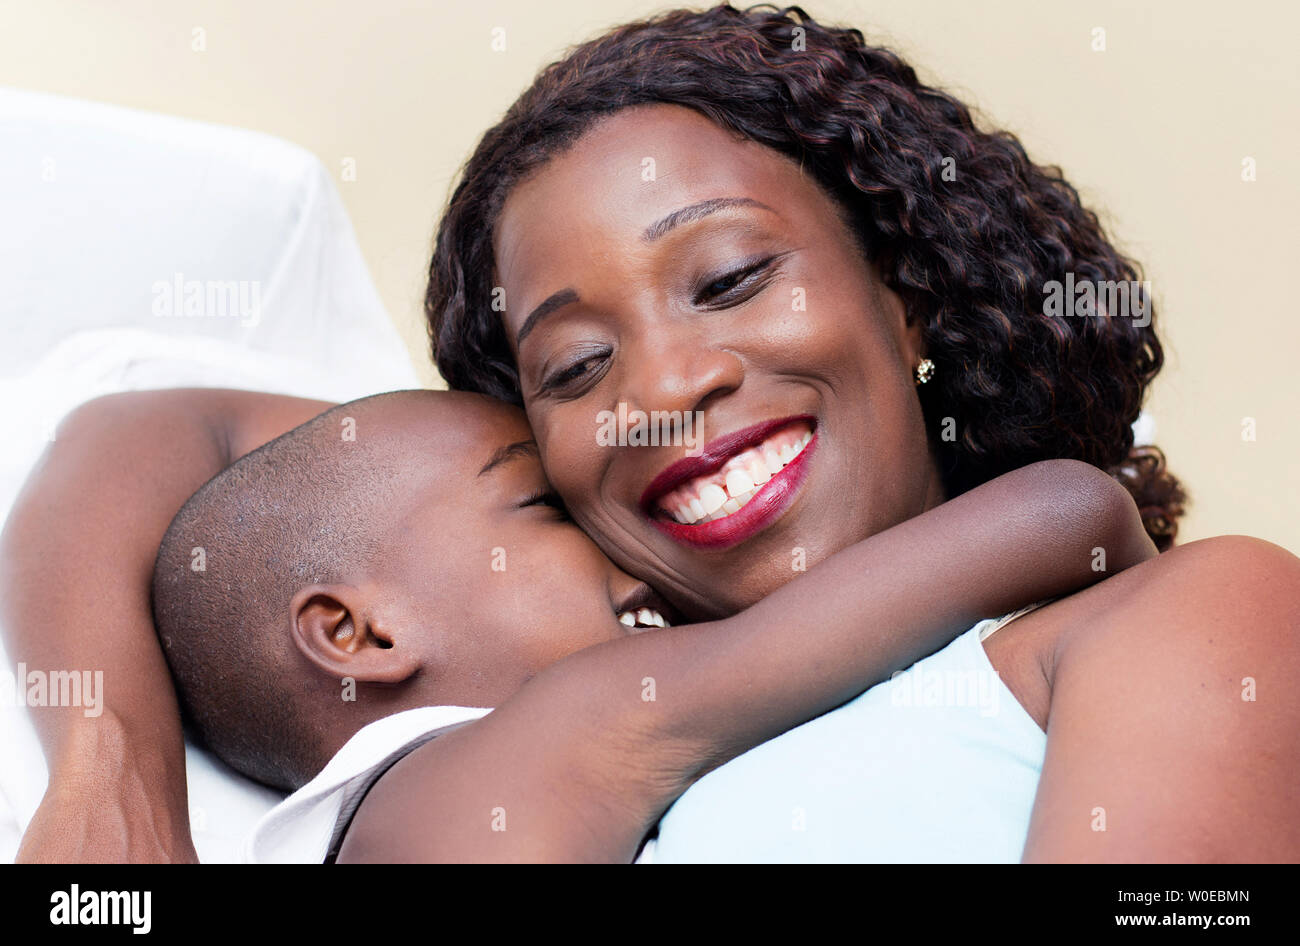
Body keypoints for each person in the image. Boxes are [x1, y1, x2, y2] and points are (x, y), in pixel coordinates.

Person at [425, 5, 1300, 860]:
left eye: (730, 279)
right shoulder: (547, 742)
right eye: (578, 366)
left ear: (909, 296)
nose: (663, 389)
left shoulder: (1195, 614)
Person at [146, 388, 1145, 861]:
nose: (636, 559)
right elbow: (1065, 508)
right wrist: (1151, 609)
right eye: (546, 510)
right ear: (357, 636)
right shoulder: (553, 729)